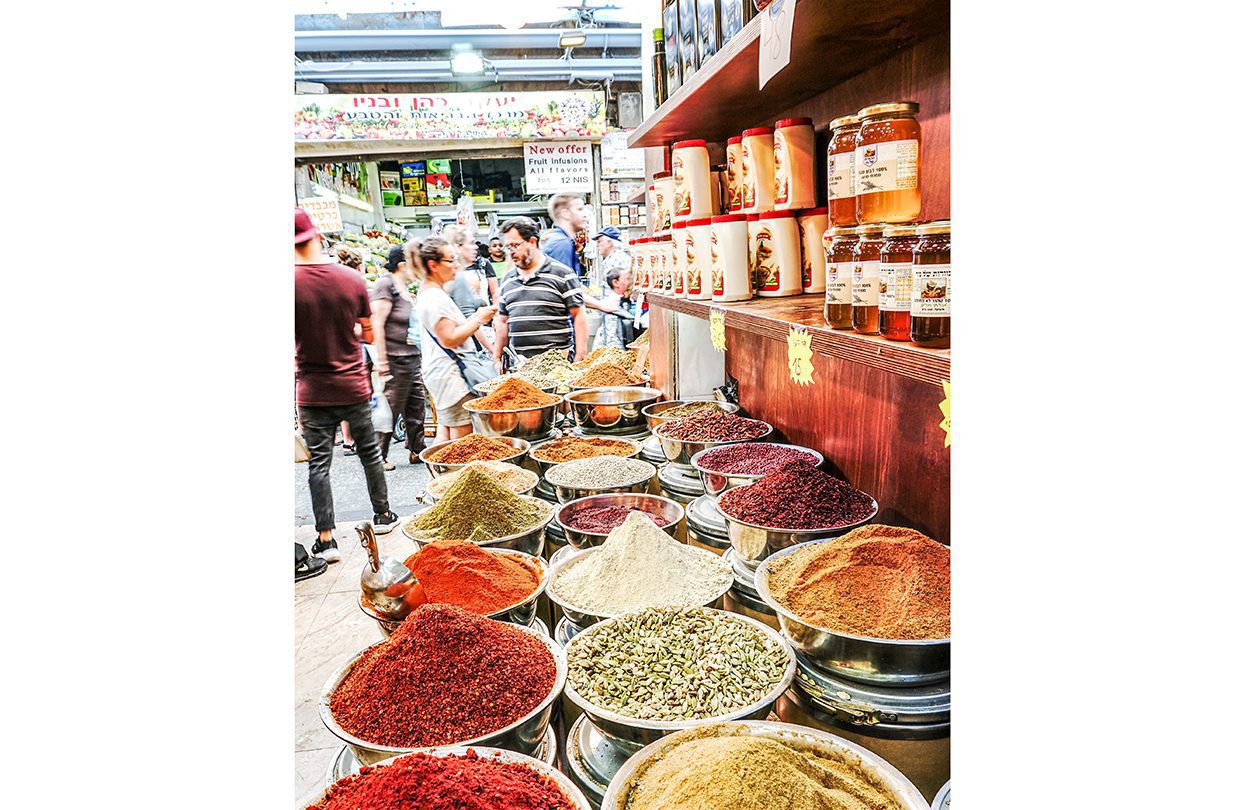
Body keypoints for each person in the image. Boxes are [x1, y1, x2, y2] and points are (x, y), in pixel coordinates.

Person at [294, 208, 400, 580]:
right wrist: (346, 333)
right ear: (316, 236)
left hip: (312, 389)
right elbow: (369, 334)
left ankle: (327, 538)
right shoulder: (351, 278)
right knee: (370, 454)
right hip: (353, 384)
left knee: (319, 464)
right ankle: (383, 515)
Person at [412, 238, 499, 443]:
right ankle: (452, 474)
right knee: (462, 445)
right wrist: (479, 319)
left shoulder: (431, 293)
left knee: (447, 433)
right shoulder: (434, 298)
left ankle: (437, 474)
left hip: (442, 374)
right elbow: (449, 339)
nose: (456, 265)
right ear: (433, 265)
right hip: (452, 377)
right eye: (451, 260)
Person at [493, 216, 588, 366]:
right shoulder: (508, 280)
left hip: (558, 365)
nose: (510, 252)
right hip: (521, 366)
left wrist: (580, 356)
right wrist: (497, 358)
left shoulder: (562, 273)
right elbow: (503, 322)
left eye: (515, 245)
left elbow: (579, 315)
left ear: (532, 242)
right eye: (508, 247)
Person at [369, 245, 427, 469]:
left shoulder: (404, 287)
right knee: (390, 408)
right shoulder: (386, 285)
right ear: (402, 265)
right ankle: (379, 456)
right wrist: (382, 361)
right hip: (394, 359)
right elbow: (378, 323)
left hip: (411, 357)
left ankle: (417, 449)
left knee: (416, 406)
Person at [543, 192, 588, 278]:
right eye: (580, 209)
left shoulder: (560, 240)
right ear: (565, 214)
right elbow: (564, 284)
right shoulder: (561, 244)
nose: (585, 214)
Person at [592, 267, 636, 350]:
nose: (631, 282)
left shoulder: (624, 301)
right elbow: (611, 339)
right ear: (616, 283)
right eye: (627, 279)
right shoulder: (612, 305)